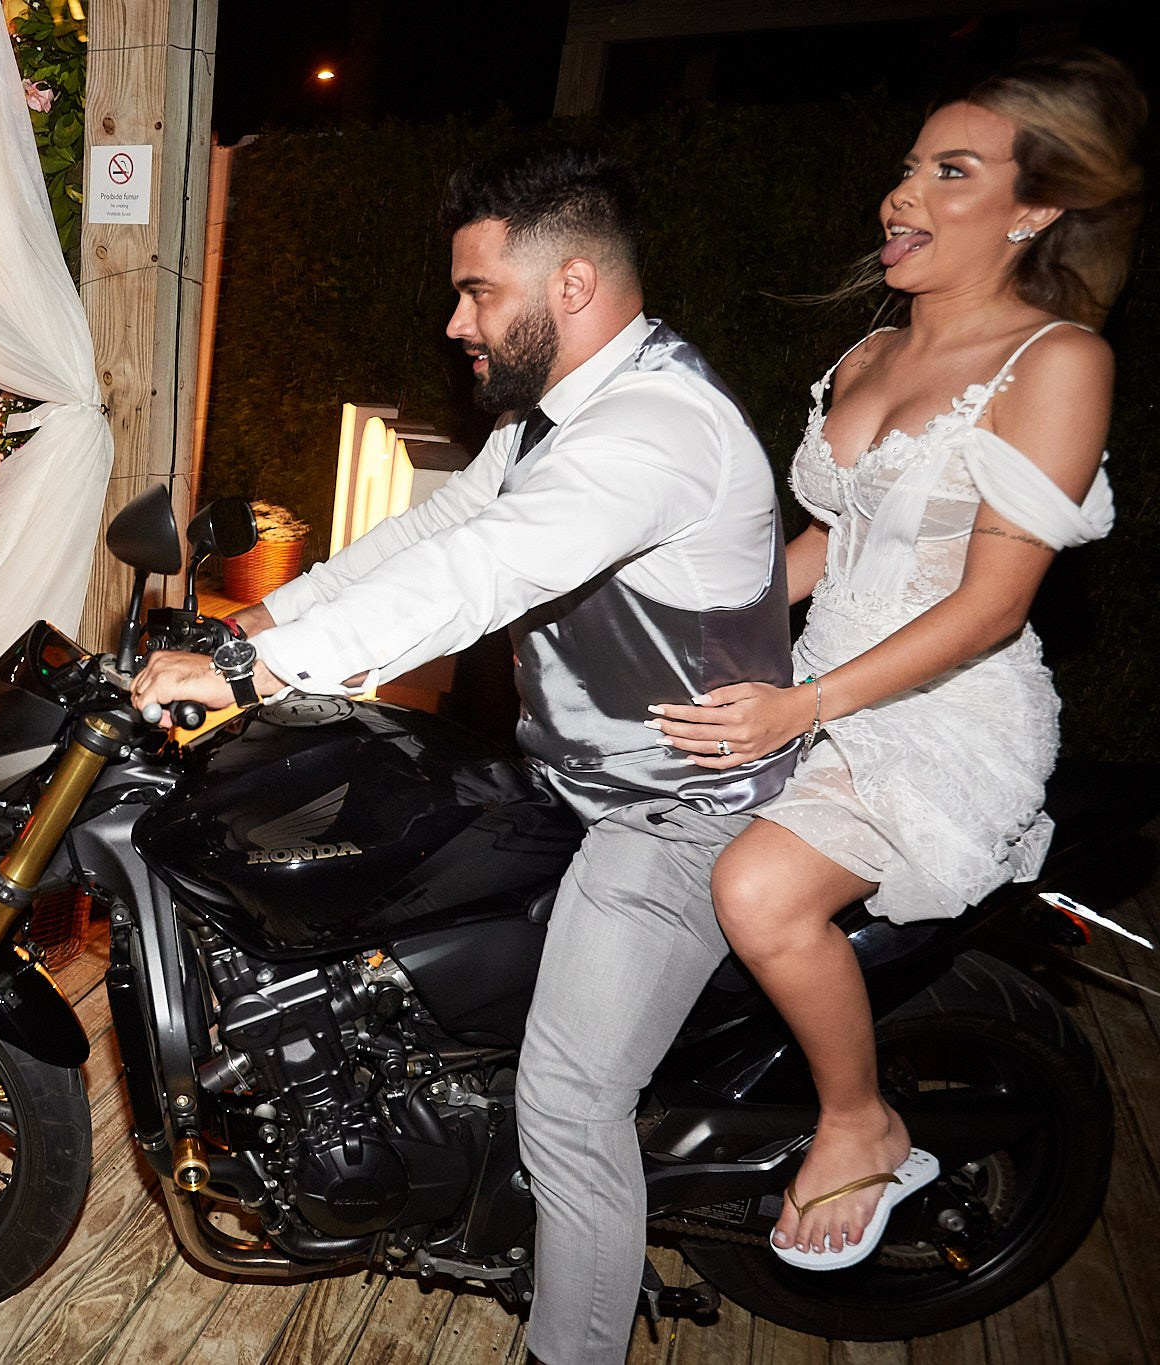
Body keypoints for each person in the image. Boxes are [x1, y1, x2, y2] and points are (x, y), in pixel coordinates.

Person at [132, 146, 795, 1364]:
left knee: (568, 1098)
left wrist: (253, 674)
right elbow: (438, 527)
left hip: (671, 813)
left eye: (478, 291)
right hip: (565, 777)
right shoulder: (559, 417)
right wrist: (257, 623)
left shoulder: (652, 430)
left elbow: (485, 571)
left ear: (574, 284)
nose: (454, 321)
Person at [652, 49, 1138, 1271]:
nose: (901, 195)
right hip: (811, 679)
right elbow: (832, 538)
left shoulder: (1058, 363)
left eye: (949, 171)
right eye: (906, 166)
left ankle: (861, 1118)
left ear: (1033, 212)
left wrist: (799, 704)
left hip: (941, 709)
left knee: (758, 892)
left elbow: (986, 606)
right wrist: (681, 621)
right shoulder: (869, 354)